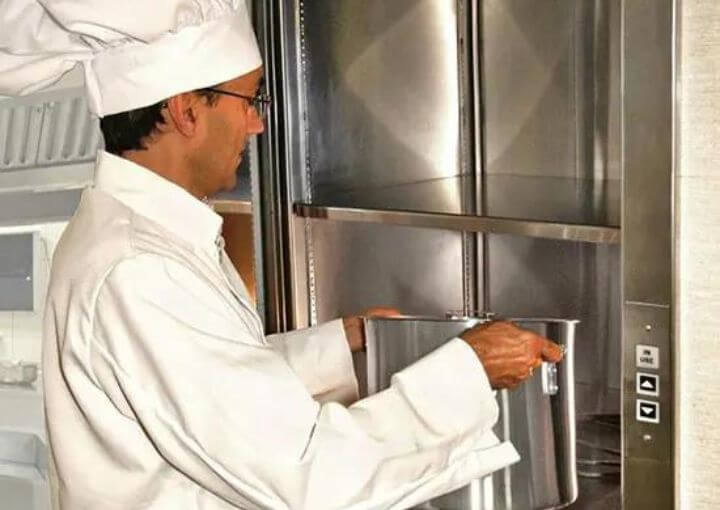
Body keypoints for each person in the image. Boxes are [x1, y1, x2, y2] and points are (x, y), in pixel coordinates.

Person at [0, 2, 564, 509]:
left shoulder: (142, 236)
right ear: (186, 111)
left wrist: (340, 346)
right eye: (250, 98)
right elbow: (307, 476)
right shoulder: (139, 269)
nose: (258, 122)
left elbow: (212, 390)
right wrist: (469, 372)